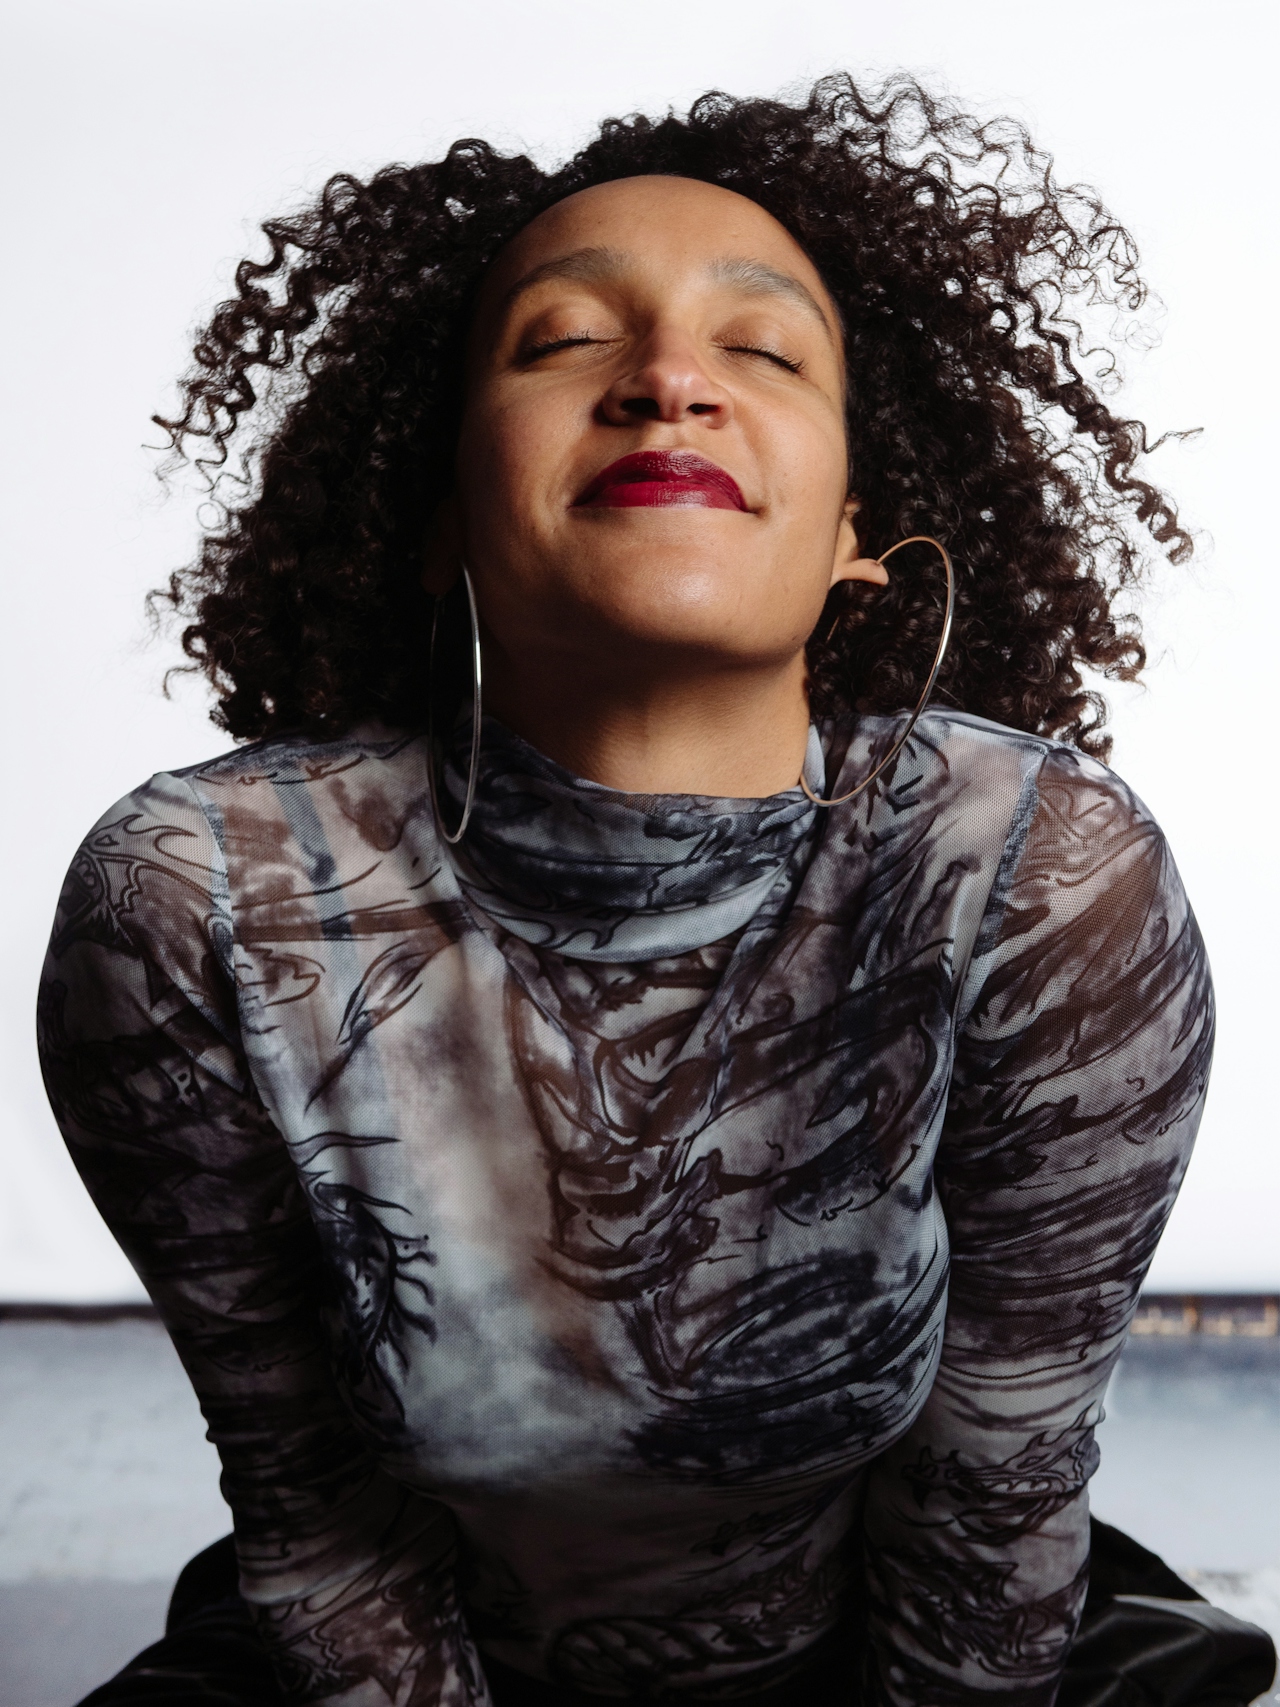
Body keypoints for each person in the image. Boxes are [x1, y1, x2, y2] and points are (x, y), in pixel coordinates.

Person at [38, 75, 1276, 1707]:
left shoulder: (1039, 877)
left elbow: (991, 1504)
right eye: (562, 344)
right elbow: (315, 1518)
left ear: (856, 529)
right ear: (436, 517)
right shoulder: (195, 902)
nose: (669, 384)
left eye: (762, 352)